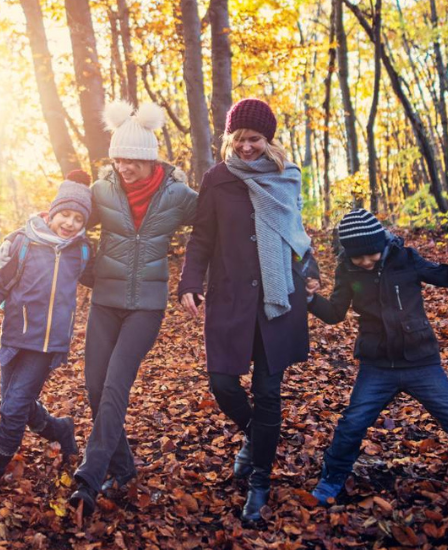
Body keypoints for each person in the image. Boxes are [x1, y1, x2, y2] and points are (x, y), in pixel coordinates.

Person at [307, 208, 448, 521]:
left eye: (370, 254)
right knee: (352, 425)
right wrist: (311, 300)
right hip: (377, 365)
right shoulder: (348, 271)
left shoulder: (405, 258)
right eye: (359, 258)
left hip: (421, 361)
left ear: (380, 243)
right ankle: (330, 483)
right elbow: (335, 313)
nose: (366, 262)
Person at [178, 98, 319, 523]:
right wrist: (189, 282)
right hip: (231, 295)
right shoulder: (217, 179)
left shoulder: (285, 176)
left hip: (280, 297)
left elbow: (296, 231)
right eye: (238, 139)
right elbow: (201, 235)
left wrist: (310, 270)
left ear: (268, 139)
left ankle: (260, 480)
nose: (245, 147)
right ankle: (257, 438)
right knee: (222, 382)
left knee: (268, 392)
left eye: (254, 139)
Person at [67, 100, 198, 515]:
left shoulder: (178, 196)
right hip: (104, 302)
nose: (124, 167)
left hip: (146, 307)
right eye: (119, 159)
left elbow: (216, 221)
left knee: (115, 387)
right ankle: (123, 468)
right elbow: (66, 217)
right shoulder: (101, 192)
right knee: (94, 387)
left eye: (133, 161)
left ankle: (90, 476)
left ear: (150, 159)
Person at [0, 171, 94, 503]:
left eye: (78, 218)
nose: (69, 222)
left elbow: (103, 280)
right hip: (14, 338)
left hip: (46, 345)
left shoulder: (82, 252)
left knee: (14, 408)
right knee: (15, 404)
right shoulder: (24, 242)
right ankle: (60, 428)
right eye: (65, 214)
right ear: (52, 212)